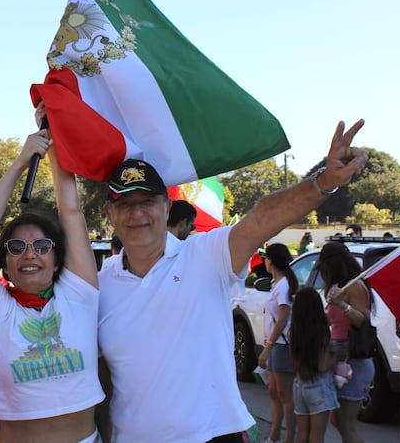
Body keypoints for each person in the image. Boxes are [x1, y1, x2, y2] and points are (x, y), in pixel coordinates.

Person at [97, 119, 366, 442]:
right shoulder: (98, 285)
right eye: (125, 204)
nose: (136, 214)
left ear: (167, 207)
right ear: (108, 214)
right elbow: (102, 379)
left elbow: (262, 219)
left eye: (147, 202)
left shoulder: (204, 255)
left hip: (215, 435)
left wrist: (325, 181)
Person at [0, 119, 104, 443]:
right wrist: (23, 159)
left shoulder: (79, 295)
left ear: (57, 261)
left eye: (42, 247)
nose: (30, 255)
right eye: (17, 247)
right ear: (5, 265)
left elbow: (70, 210)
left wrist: (56, 138)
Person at [317, 241, 374, 443]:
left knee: (346, 423)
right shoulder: (339, 286)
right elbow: (334, 320)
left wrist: (342, 304)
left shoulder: (354, 286)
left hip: (352, 358)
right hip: (338, 353)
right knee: (338, 420)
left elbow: (362, 321)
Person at [258, 243, 298, 443]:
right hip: (275, 345)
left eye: (266, 258)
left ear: (271, 260)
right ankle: (274, 436)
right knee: (274, 392)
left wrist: (268, 347)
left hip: (281, 346)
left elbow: (282, 319)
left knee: (285, 395)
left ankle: (288, 438)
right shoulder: (278, 284)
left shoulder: (283, 286)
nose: (264, 261)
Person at [289, 287, 339, 443]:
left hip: (300, 383)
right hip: (318, 384)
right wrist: (337, 356)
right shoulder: (321, 331)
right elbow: (322, 366)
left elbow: (294, 362)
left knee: (302, 433)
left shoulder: (294, 331)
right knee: (317, 435)